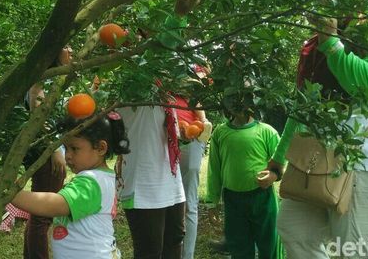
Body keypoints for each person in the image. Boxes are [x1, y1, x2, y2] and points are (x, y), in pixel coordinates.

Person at [269, 16, 368, 259]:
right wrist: (278, 159)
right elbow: (303, 106)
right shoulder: (314, 48)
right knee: (295, 229)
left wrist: (331, 42)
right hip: (318, 161)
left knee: (357, 252)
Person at [8, 114, 129, 259]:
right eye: (66, 148)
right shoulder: (103, 177)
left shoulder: (90, 182)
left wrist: (11, 194)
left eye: (74, 148)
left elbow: (53, 205)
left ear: (101, 148)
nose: (68, 155)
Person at [206, 91, 284, 259]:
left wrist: (273, 175)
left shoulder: (266, 132)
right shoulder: (220, 133)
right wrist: (212, 202)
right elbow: (214, 169)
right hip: (233, 200)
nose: (238, 103)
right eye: (233, 99)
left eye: (244, 99)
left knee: (269, 244)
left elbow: (281, 166)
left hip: (262, 198)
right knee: (239, 246)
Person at [116, 104, 186, 259]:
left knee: (175, 242)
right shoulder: (135, 90)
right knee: (149, 251)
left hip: (171, 179)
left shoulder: (165, 95)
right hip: (142, 184)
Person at [22, 46, 71, 259]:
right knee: (42, 217)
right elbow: (39, 116)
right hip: (47, 155)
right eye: (65, 46)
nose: (70, 50)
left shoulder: (49, 81)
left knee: (39, 217)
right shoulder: (39, 84)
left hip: (50, 153)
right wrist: (55, 151)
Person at [173, 91, 212, 259]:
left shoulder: (185, 72)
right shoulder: (154, 77)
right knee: (166, 203)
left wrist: (203, 122)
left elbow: (194, 94)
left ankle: (186, 256)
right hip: (162, 140)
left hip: (190, 137)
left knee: (189, 203)